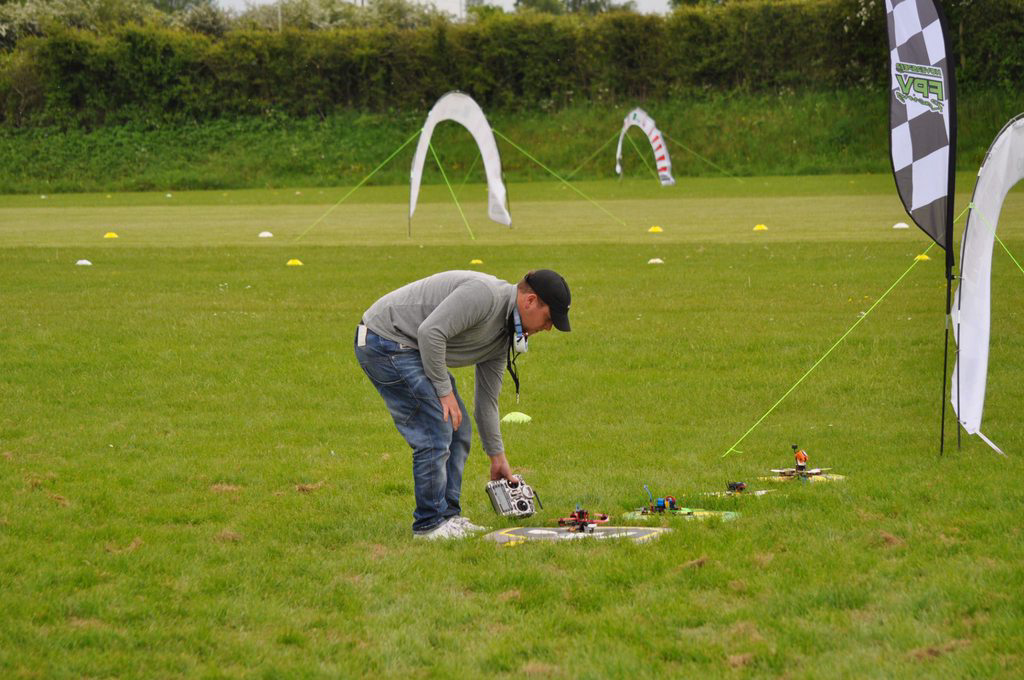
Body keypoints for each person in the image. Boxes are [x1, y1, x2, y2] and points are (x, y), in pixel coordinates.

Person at [355, 269, 571, 540]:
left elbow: (486, 401)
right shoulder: (485, 296)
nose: (549, 328)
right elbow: (431, 332)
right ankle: (429, 524)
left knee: (459, 427)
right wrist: (444, 392)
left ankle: (448, 518)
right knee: (437, 424)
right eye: (549, 319)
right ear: (530, 301)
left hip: (410, 347)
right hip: (384, 339)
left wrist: (497, 457)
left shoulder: (503, 336)